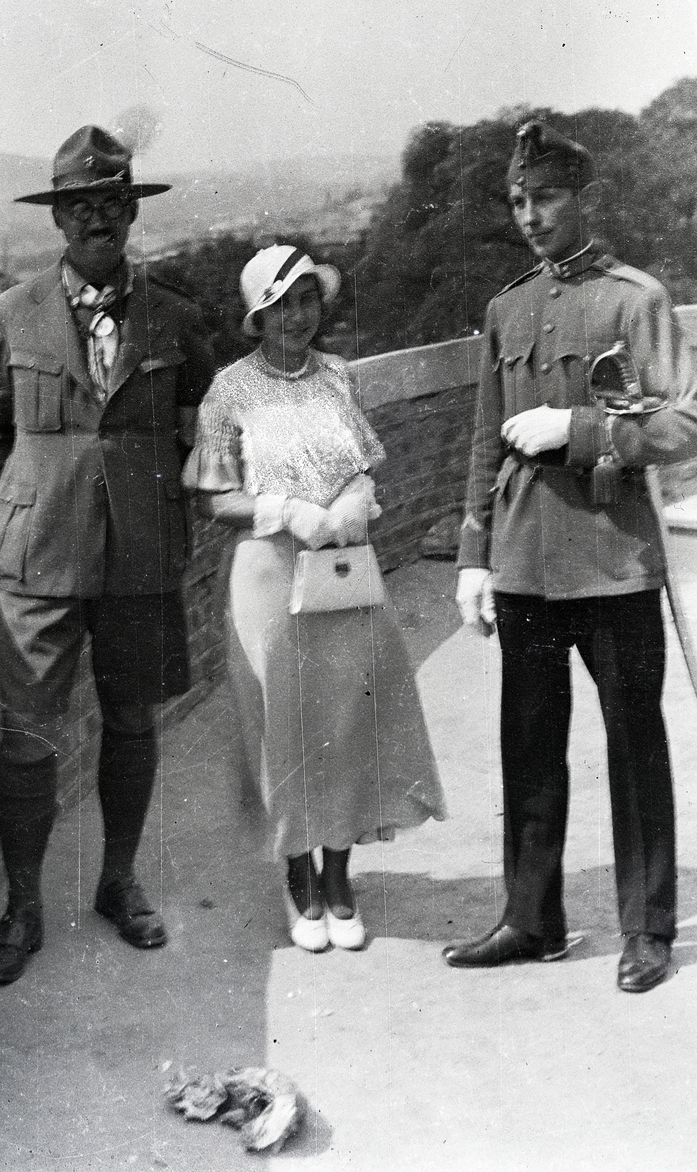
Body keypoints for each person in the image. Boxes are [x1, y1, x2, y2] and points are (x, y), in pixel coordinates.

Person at [445, 120, 697, 993]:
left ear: (579, 196)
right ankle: (532, 918)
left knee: (634, 741)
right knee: (528, 742)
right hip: (524, 562)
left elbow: (687, 424)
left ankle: (647, 929)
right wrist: (473, 557)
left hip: (613, 558)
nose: (530, 214)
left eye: (545, 197)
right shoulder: (506, 308)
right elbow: (485, 437)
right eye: (518, 200)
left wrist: (583, 428)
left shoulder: (636, 300)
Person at [0, 124, 214, 985]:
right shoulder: (11, 314)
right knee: (28, 738)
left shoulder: (176, 316)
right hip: (37, 563)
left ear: (131, 214)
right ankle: (23, 907)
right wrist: (49, 493)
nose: (99, 218)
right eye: (82, 206)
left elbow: (200, 426)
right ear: (60, 221)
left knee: (133, 721)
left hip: (139, 558)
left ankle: (118, 881)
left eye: (113, 203)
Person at [184, 245, 445, 952]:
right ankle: (297, 876)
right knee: (285, 725)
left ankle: (339, 875)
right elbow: (213, 495)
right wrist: (286, 512)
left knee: (349, 716)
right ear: (256, 315)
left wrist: (358, 499)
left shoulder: (337, 377)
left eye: (306, 299)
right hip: (269, 571)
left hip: (341, 567)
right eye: (280, 304)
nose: (296, 316)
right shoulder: (229, 389)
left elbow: (363, 462)